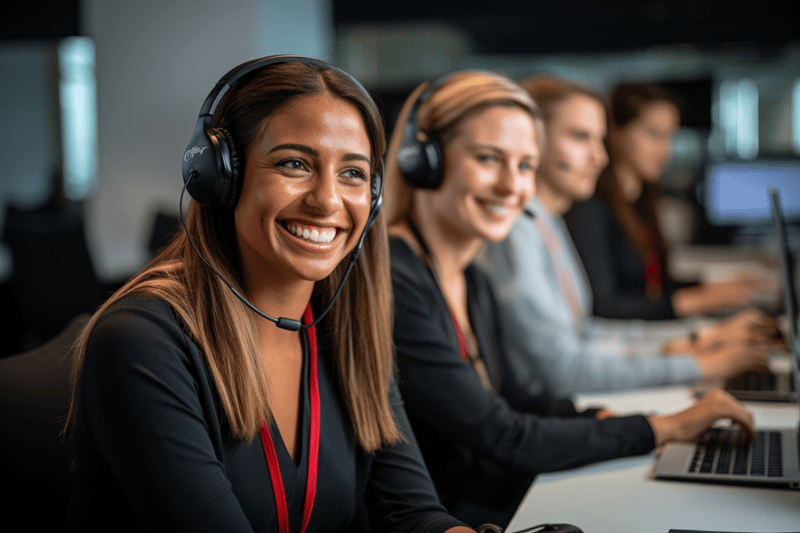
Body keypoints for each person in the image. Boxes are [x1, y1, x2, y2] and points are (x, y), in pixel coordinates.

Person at [63, 56, 473, 533]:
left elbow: (412, 513)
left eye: (353, 173)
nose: (327, 200)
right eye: (294, 164)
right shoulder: (142, 342)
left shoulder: (344, 328)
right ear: (220, 177)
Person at [384, 70, 757, 528]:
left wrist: (609, 420)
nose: (512, 186)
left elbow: (526, 399)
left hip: (504, 495)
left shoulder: (469, 280)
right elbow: (500, 433)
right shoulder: (396, 282)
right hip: (468, 513)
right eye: (488, 159)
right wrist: (661, 428)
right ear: (423, 159)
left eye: (524, 166)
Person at [475, 77, 774, 396]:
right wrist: (698, 365)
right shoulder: (517, 233)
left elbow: (586, 335)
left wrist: (693, 342)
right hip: (553, 413)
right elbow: (565, 371)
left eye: (599, 140)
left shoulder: (549, 223)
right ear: (531, 141)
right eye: (580, 137)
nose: (600, 158)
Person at [564, 82, 769, 320]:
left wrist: (714, 288)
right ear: (616, 131)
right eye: (653, 134)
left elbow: (652, 287)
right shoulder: (591, 207)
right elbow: (605, 305)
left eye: (670, 137)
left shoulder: (642, 201)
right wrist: (700, 299)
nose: (665, 150)